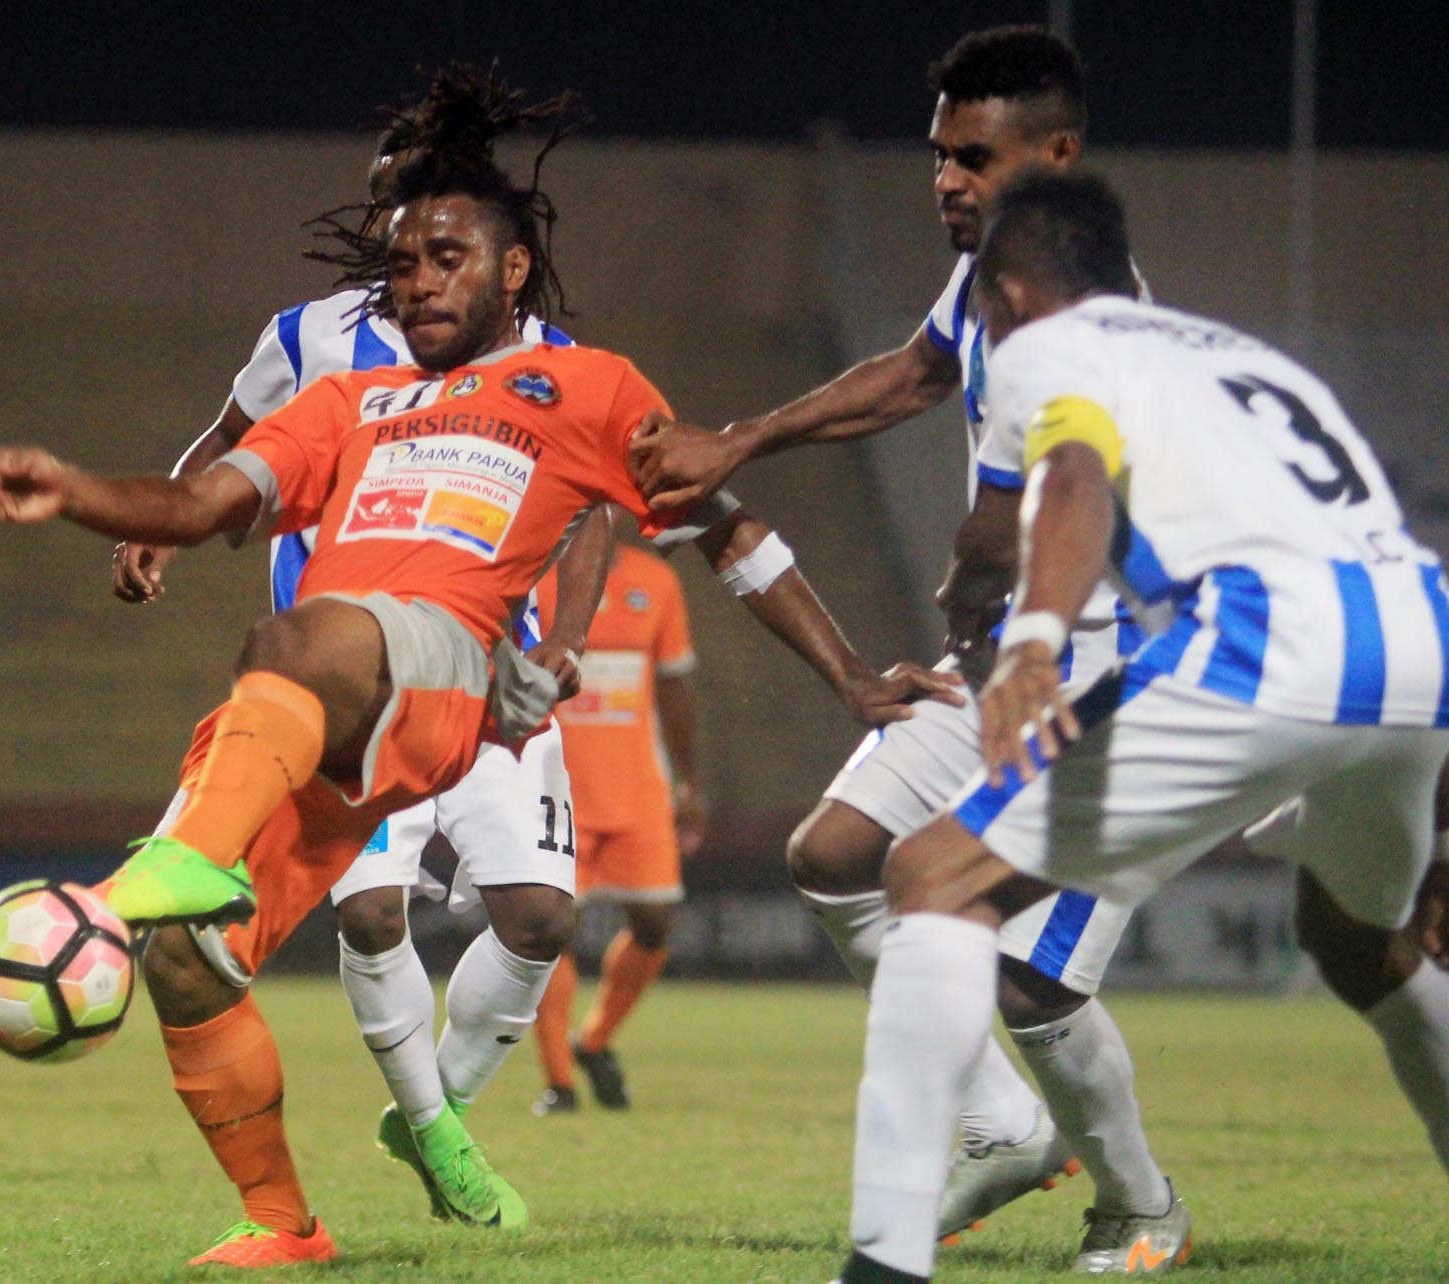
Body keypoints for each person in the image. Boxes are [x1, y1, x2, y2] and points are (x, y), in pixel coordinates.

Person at [0, 73, 952, 1270]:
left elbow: (727, 529)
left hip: (447, 676)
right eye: (404, 263)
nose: (418, 280)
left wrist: (848, 677)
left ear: (513, 270)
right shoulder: (344, 401)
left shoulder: (583, 386)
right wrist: (74, 494)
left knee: (314, 643)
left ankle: (170, 884)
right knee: (186, 964)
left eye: (447, 257)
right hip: (323, 710)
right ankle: (285, 1223)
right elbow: (197, 500)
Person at [833, 166, 1449, 1284]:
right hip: (1423, 644)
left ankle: (879, 1267)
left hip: (1263, 644)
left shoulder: (1038, 346)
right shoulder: (1248, 359)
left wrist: (1030, 641)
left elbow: (1073, 477)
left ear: (1010, 291)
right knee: (1365, 947)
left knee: (932, 876)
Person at [628, 25, 1177, 1261]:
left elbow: (993, 532)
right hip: (1008, 667)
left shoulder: (1075, 308)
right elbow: (915, 374)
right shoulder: (990, 276)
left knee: (1032, 987)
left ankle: (1142, 1202)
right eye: (938, 156)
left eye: (973, 158)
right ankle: (999, 1130)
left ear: (1058, 154)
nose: (945, 181)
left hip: (1115, 680)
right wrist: (742, 440)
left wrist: (974, 602)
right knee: (833, 856)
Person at [110, 73, 610, 1233]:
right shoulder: (312, 339)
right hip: (347, 680)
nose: (406, 245)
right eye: (392, 220)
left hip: (492, 669)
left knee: (539, 917)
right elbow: (231, 439)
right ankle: (434, 1137)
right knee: (373, 914)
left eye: (432, 221)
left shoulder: (542, 349)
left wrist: (569, 639)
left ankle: (435, 1111)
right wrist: (159, 521)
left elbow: (592, 506)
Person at [530, 534, 704, 1114]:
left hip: (637, 790)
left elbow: (675, 687)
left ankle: (594, 1039)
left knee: (655, 922)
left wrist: (689, 784)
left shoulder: (655, 581)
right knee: (552, 931)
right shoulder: (535, 575)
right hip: (558, 789)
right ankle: (558, 1083)